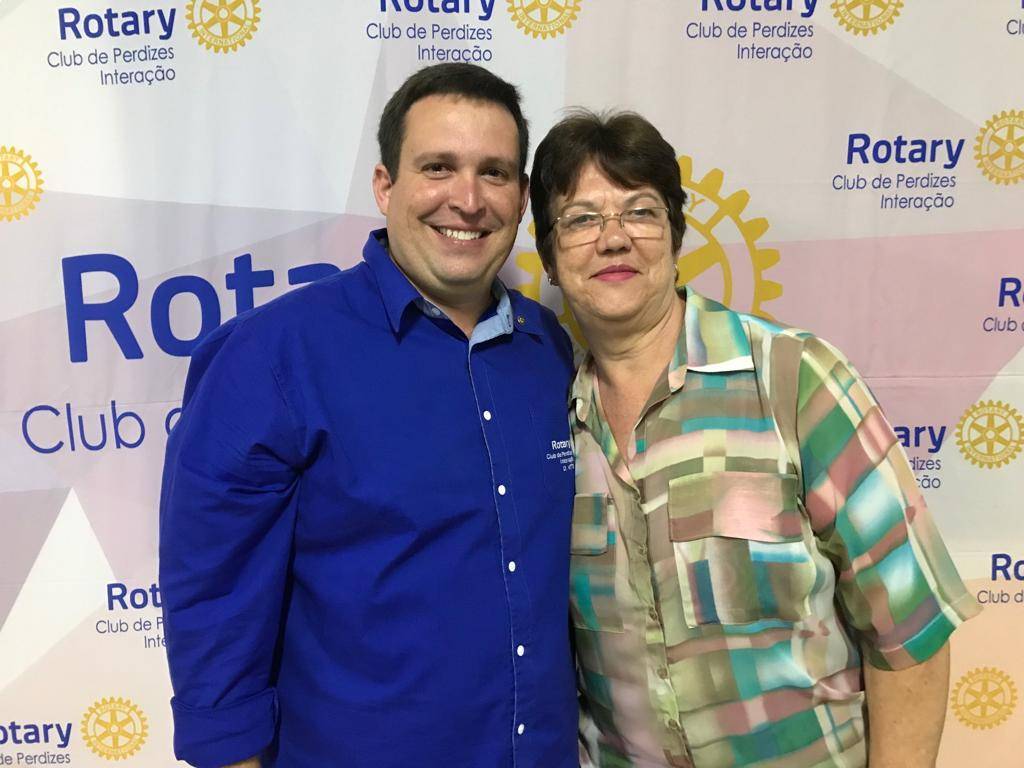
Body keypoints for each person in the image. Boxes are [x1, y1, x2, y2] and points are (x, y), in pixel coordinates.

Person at [529, 110, 980, 768]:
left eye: (641, 212)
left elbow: (910, 629)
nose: (614, 238)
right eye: (581, 219)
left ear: (676, 235)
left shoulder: (794, 378)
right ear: (548, 256)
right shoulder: (545, 423)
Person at [158, 63, 579, 768]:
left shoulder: (549, 349)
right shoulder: (274, 355)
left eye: (495, 173)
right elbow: (214, 597)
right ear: (386, 186)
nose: (468, 199)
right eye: (438, 167)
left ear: (522, 195)